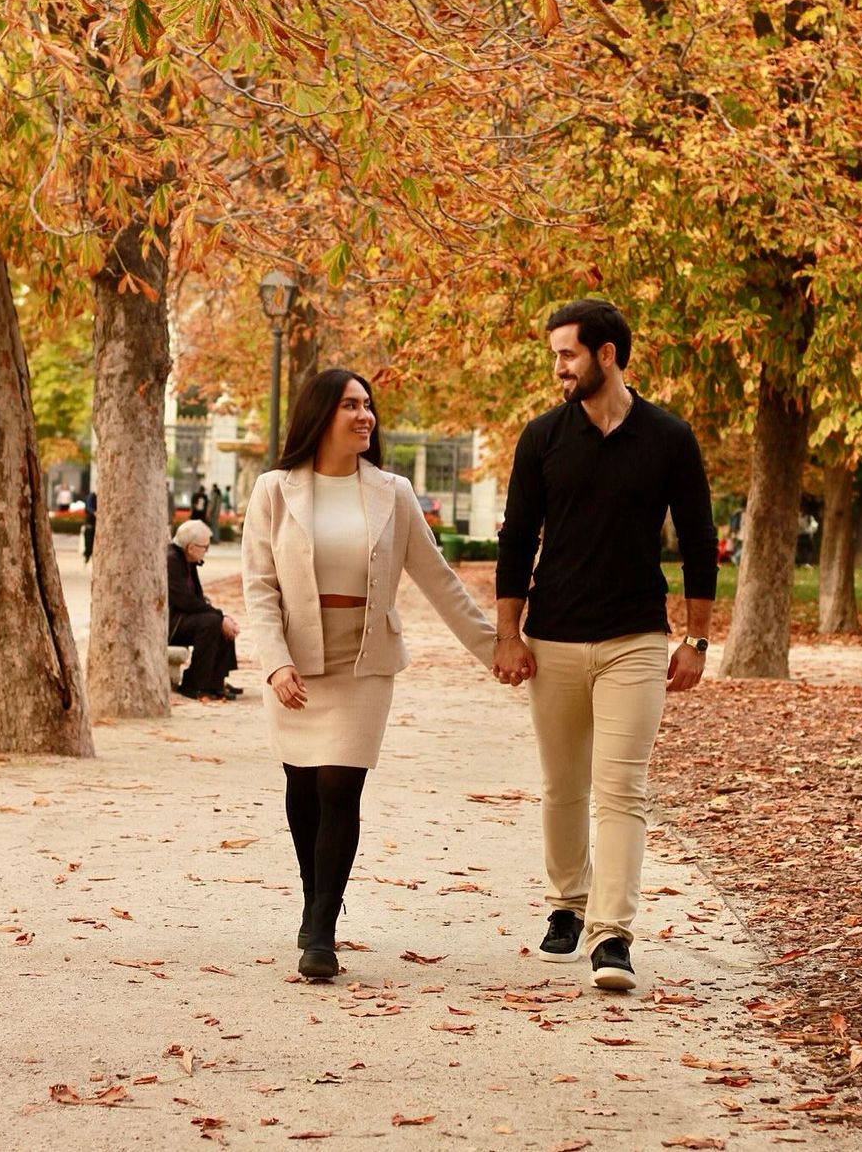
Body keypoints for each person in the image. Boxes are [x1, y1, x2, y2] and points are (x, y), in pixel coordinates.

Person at [241, 367, 495, 981]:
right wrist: (275, 663)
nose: (365, 415)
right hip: (297, 662)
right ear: (321, 413)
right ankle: (315, 901)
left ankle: (320, 929)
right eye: (351, 405)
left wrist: (497, 650)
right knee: (303, 789)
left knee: (338, 786)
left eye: (368, 404)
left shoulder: (393, 492)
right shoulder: (274, 490)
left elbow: (440, 581)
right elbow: (259, 587)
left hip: (365, 660)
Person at [493, 299, 718, 992]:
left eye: (567, 354)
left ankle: (612, 935)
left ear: (607, 354)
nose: (559, 368)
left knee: (621, 788)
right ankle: (568, 901)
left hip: (636, 638)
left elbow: (700, 541)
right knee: (565, 785)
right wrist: (508, 633)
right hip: (554, 636)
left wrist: (698, 640)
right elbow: (515, 539)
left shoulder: (669, 438)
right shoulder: (542, 439)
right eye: (556, 355)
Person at [167, 520, 242, 701]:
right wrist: (218, 616)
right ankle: (195, 684)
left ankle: (215, 682)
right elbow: (185, 601)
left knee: (217, 620)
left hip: (182, 617)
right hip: (170, 623)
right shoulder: (171, 560)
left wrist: (221, 615)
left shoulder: (187, 558)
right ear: (191, 547)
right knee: (212, 622)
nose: (206, 551)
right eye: (205, 547)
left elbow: (197, 598)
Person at [83, 489, 98, 564]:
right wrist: (94, 512)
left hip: (97, 521)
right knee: (89, 538)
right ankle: (87, 555)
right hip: (90, 521)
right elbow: (88, 506)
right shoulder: (91, 496)